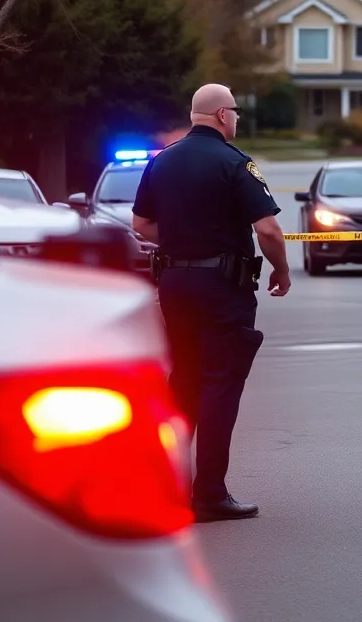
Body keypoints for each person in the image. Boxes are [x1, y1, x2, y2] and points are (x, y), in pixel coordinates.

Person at [132, 83, 292, 522]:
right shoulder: (235, 163)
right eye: (235, 112)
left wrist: (184, 244)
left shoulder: (161, 161)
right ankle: (210, 494)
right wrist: (281, 269)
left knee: (183, 381)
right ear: (222, 115)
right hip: (223, 289)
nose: (237, 119)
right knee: (220, 385)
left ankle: (169, 485)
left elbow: (141, 222)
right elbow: (269, 231)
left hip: (175, 286)